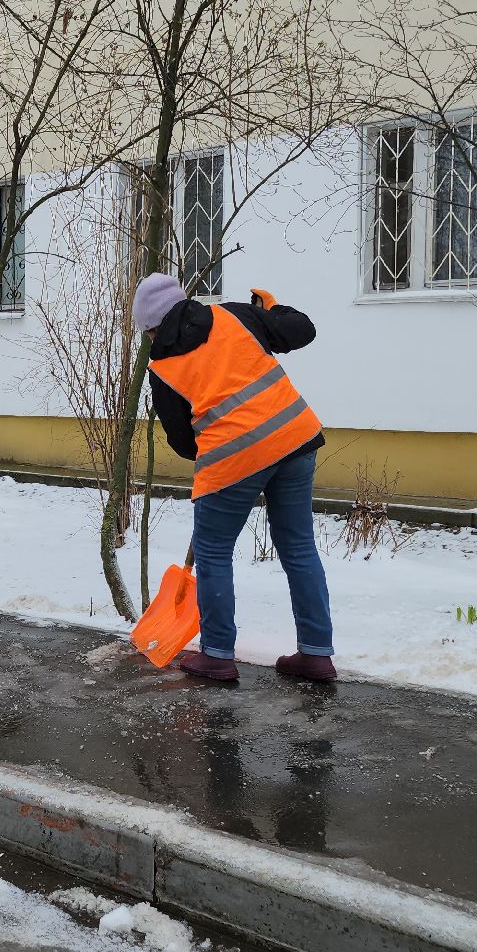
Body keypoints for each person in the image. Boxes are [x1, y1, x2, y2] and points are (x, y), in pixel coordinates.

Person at [133, 272, 334, 683]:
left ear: (152, 329)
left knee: (213, 551)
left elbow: (182, 441)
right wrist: (271, 310)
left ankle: (218, 655)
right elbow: (302, 330)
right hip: (295, 437)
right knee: (297, 546)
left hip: (232, 459)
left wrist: (216, 440)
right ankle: (316, 654)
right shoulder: (235, 316)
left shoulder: (163, 368)